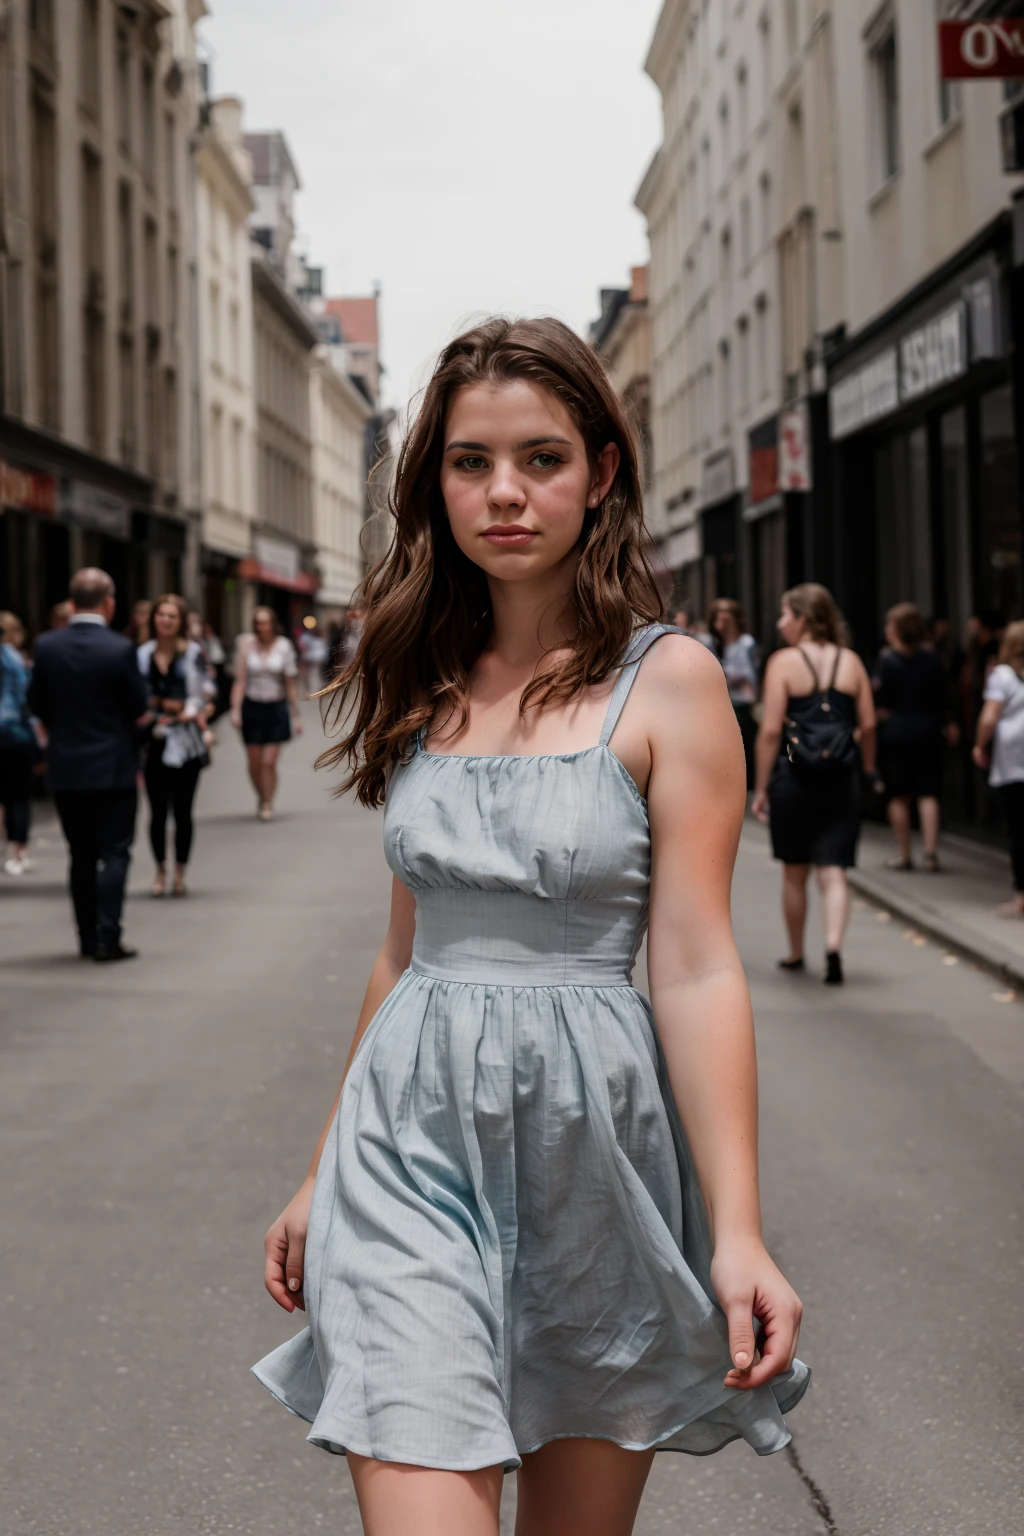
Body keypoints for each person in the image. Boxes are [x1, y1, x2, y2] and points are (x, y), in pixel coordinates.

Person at [252, 317, 806, 1535]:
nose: (504, 492)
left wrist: (740, 1232)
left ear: (601, 472)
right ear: (433, 480)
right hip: (406, 1147)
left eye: (541, 458)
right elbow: (402, 955)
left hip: (597, 1152)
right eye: (468, 462)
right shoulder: (420, 677)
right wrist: (318, 1169)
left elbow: (698, 962)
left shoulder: (669, 682)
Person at [752, 583, 877, 986]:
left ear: (803, 618)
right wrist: (869, 768)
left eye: (786, 614)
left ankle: (795, 951)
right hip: (841, 778)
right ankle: (834, 946)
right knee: (834, 869)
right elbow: (869, 724)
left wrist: (762, 786)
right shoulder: (852, 662)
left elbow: (771, 730)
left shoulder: (783, 663)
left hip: (794, 777)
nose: (780, 623)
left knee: (794, 870)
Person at [28, 568, 148, 962]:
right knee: (114, 852)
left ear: (72, 602)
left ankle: (85, 938)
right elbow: (137, 707)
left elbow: (37, 705)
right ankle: (107, 936)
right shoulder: (119, 649)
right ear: (109, 603)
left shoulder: (47, 647)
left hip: (67, 767)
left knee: (79, 854)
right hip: (113, 767)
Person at [137, 594, 210, 898]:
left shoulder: (193, 653)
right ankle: (159, 869)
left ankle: (179, 870)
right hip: (153, 741)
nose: (165, 620)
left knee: (183, 811)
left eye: (172, 616)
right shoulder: (142, 654)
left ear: (181, 622)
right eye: (161, 615)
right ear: (153, 619)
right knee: (156, 812)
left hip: (186, 740)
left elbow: (204, 692)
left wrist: (189, 709)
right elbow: (136, 695)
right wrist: (157, 707)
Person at [872, 602, 952, 872]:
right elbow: (944, 697)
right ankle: (930, 853)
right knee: (929, 792)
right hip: (928, 730)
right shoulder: (933, 660)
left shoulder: (887, 660)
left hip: (897, 731)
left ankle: (905, 854)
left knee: (898, 795)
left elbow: (880, 700)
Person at [230, 607, 301, 821]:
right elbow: (240, 680)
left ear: (272, 623)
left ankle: (268, 801)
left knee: (268, 761)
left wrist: (295, 714)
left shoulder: (283, 646)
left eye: (265, 622)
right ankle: (261, 795)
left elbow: (290, 683)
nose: (261, 626)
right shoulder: (246, 644)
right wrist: (235, 710)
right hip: (252, 706)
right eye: (258, 622)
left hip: (276, 706)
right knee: (253, 761)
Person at [974, 620, 1024, 917]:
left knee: (1018, 831)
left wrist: (980, 745)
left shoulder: (1002, 675)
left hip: (1013, 762)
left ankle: (1022, 896)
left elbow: (989, 717)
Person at [0, 611, 39, 876]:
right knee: (20, 796)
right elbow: (27, 700)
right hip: (15, 734)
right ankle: (18, 852)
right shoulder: (16, 660)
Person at [709, 597, 760, 789]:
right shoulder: (714, 644)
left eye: (725, 621)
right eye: (717, 620)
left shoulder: (746, 643)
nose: (720, 625)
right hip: (722, 703)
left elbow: (751, 676)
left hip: (742, 704)